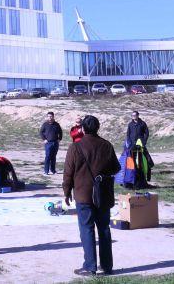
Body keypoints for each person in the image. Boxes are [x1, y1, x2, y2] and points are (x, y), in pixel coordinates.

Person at [63, 115, 120, 277]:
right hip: (103, 195)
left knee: (87, 229)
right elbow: (116, 168)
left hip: (83, 195)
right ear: (98, 128)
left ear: (82, 129)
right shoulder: (107, 145)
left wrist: (67, 192)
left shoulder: (75, 147)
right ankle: (107, 266)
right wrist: (101, 174)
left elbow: (68, 173)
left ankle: (90, 266)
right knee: (104, 229)